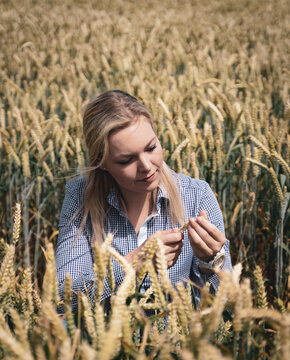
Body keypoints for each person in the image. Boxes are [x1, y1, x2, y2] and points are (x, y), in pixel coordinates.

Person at [55, 90, 232, 312]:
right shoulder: (80, 198)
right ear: (102, 163)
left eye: (151, 148)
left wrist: (210, 263)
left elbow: (227, 306)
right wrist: (133, 265)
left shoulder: (196, 196)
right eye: (126, 160)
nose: (146, 166)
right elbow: (65, 300)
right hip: (103, 344)